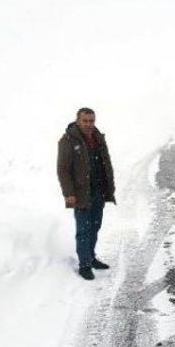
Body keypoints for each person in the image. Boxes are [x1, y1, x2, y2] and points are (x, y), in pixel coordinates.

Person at [57, 107, 116, 280]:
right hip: (81, 193)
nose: (89, 124)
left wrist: (109, 187)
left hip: (98, 190)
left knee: (95, 226)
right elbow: (63, 169)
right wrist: (68, 192)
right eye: (85, 121)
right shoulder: (68, 140)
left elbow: (106, 162)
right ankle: (84, 265)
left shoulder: (98, 137)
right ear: (78, 121)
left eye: (92, 121)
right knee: (83, 229)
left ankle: (91, 257)